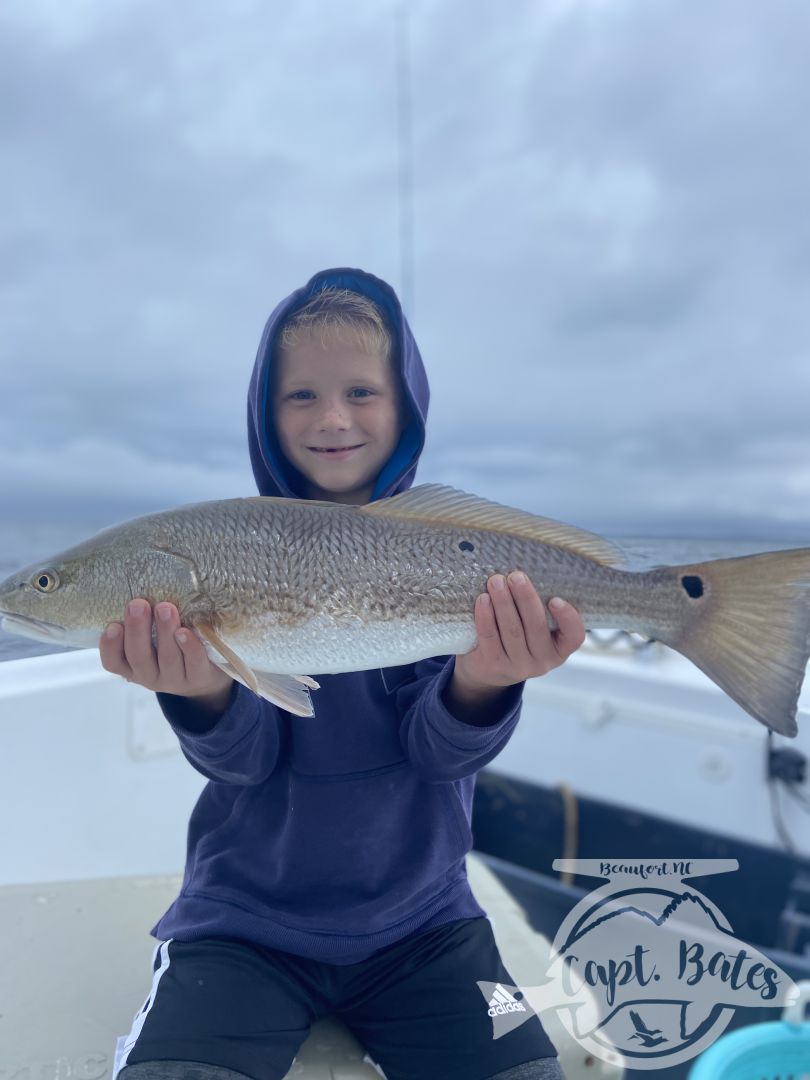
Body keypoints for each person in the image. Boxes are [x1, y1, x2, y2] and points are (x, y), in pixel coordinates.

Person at [101, 268, 586, 1080]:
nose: (332, 418)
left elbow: (442, 757)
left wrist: (487, 682)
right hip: (242, 927)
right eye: (300, 397)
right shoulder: (222, 550)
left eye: (362, 391)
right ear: (264, 411)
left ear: (406, 405)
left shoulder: (448, 561)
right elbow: (244, 762)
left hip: (430, 928)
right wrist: (200, 691)